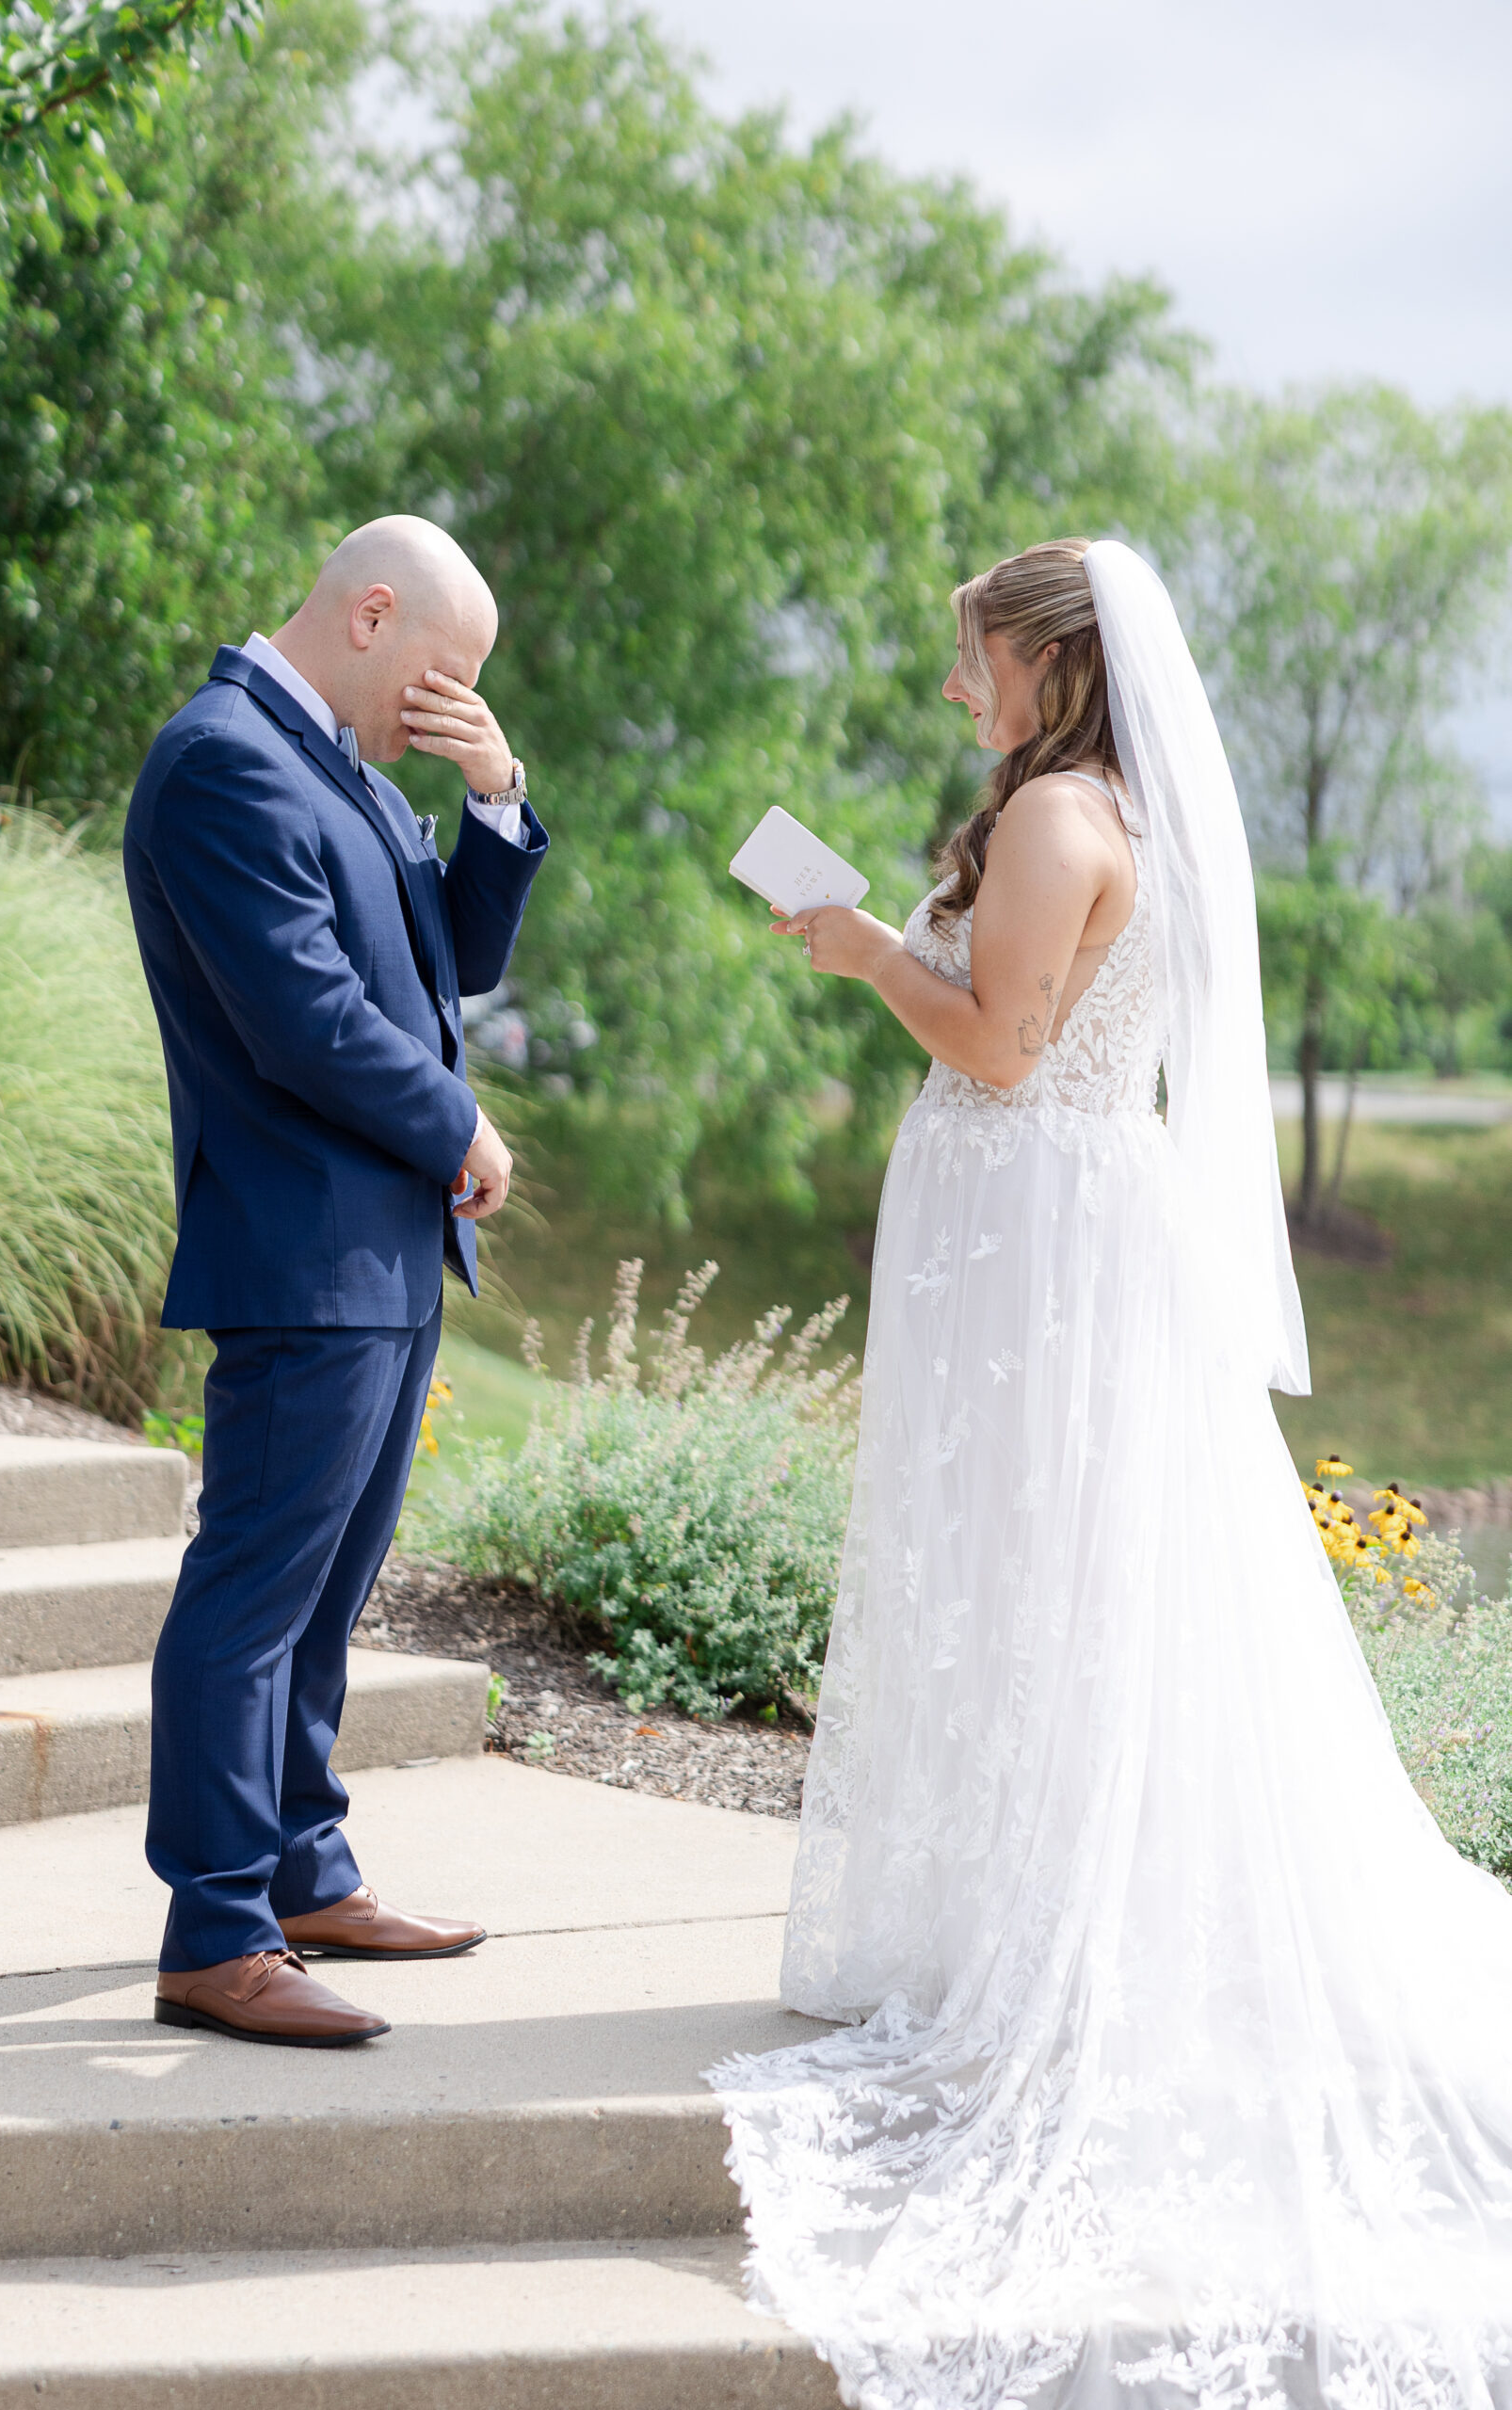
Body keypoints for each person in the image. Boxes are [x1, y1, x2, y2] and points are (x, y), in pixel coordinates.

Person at [712, 538, 1512, 2409]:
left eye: (971, 659)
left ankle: (1061, 1938)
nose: (952, 692)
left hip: (1045, 1246)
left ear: (1051, 661)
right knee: (1030, 1581)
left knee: (1046, 1579)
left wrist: (857, 952)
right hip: (1042, 1233)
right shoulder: (1086, 802)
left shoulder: (1067, 817)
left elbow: (999, 1046)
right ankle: (1009, 1905)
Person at [123, 515, 546, 2047]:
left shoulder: (350, 769)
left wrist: (492, 798)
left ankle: (303, 1874)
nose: (442, 709)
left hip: (380, 1246)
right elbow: (306, 1016)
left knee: (325, 1594)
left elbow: (447, 967)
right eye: (443, 675)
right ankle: (215, 1930)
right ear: (372, 616)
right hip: (303, 1245)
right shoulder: (225, 758)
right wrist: (461, 1122)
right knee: (252, 1594)